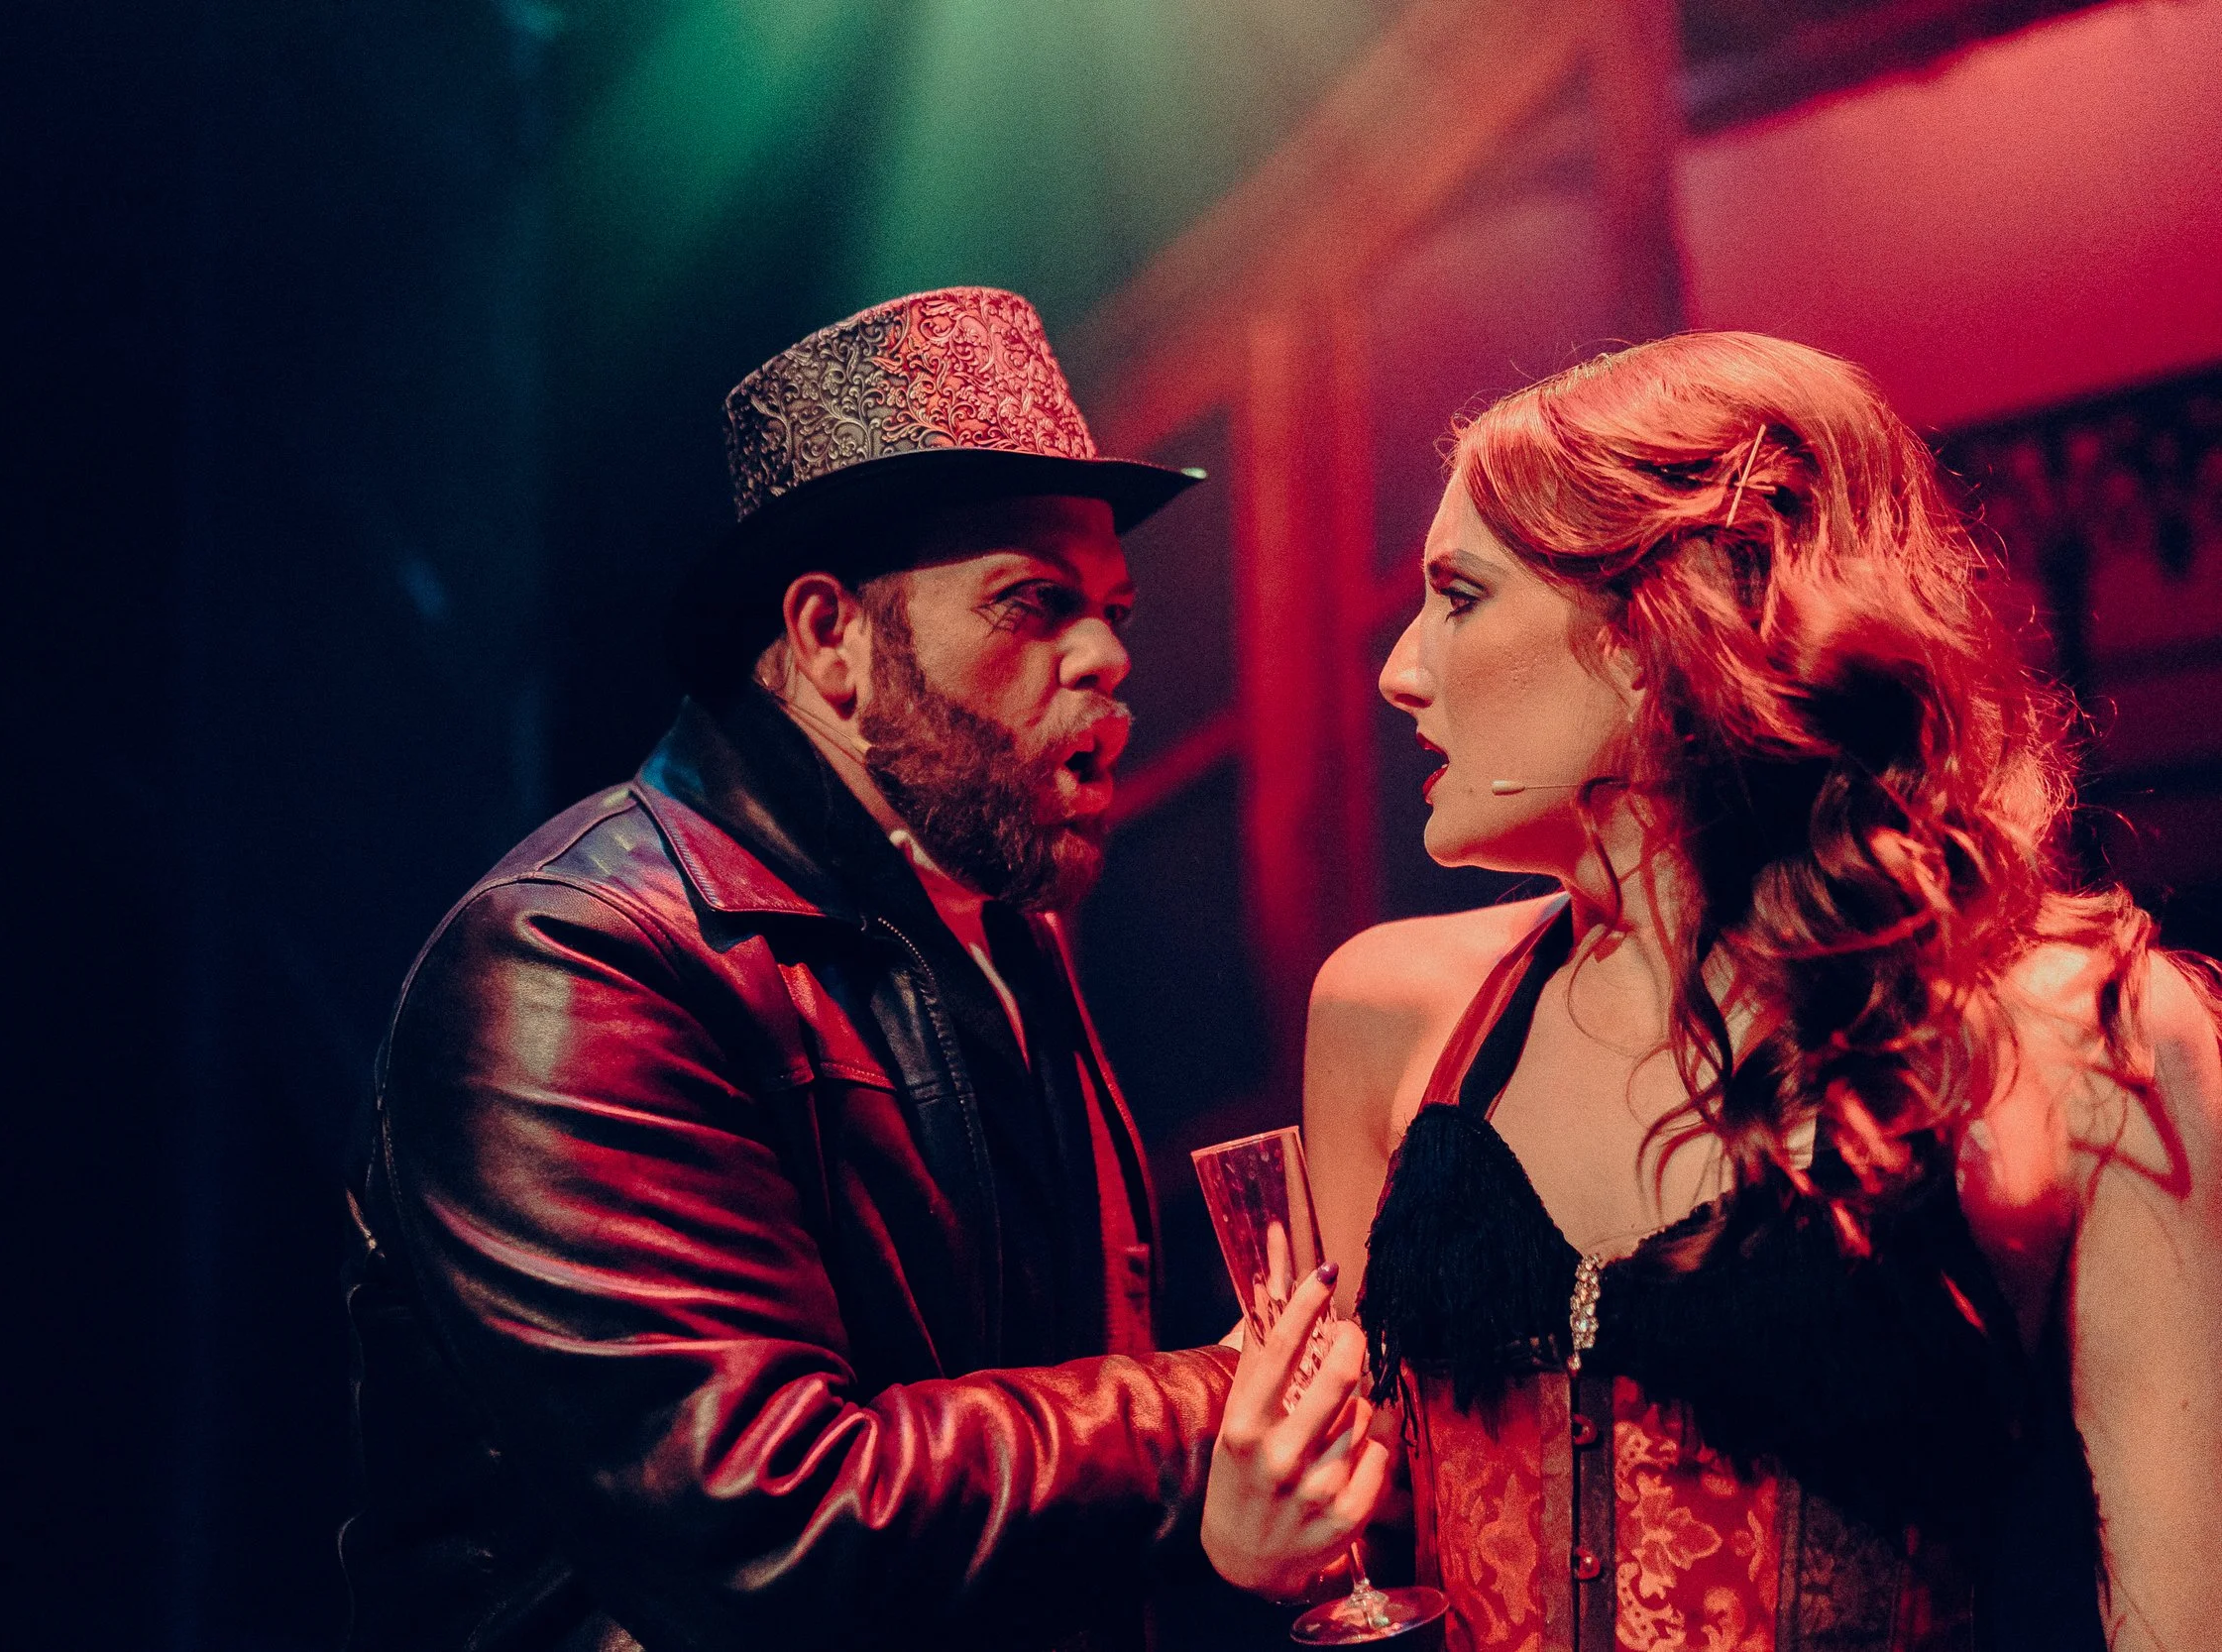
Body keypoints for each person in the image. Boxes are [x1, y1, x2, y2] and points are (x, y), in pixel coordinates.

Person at [1197, 332, 2222, 1651]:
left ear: (1654, 632)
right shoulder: (1391, 1017)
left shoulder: (2095, 1038)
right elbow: (1360, 1528)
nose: (1400, 669)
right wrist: (1253, 1534)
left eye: (1459, 595)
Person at [337, 288, 1242, 1652]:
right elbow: (762, 1518)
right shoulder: (571, 956)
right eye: (1033, 601)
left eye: (1111, 605)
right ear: (829, 638)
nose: (1109, 652)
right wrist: (1222, 1416)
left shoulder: (997, 934)